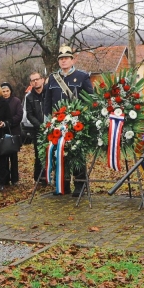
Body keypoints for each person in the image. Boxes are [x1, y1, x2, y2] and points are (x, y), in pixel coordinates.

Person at [43, 46, 94, 195]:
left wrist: (84, 116)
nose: (63, 60)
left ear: (72, 60)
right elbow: (47, 101)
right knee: (59, 153)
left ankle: (80, 186)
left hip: (75, 122)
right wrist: (47, 120)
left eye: (66, 58)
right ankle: (62, 185)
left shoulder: (82, 76)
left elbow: (89, 99)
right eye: (61, 58)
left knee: (76, 153)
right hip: (57, 122)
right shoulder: (52, 78)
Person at [25, 72, 46, 182]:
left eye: (37, 79)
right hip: (37, 130)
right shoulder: (29, 97)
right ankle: (40, 178)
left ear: (42, 80)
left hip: (52, 127)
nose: (35, 81)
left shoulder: (49, 93)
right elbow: (29, 114)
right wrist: (39, 126)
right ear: (31, 83)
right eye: (33, 80)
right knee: (39, 154)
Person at [1, 82, 23, 185]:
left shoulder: (16, 101)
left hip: (14, 131)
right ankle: (5, 178)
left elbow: (19, 115)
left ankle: (14, 179)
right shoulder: (0, 102)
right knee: (3, 156)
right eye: (3, 91)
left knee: (13, 157)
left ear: (10, 91)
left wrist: (9, 122)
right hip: (2, 131)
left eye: (7, 91)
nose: (5, 93)